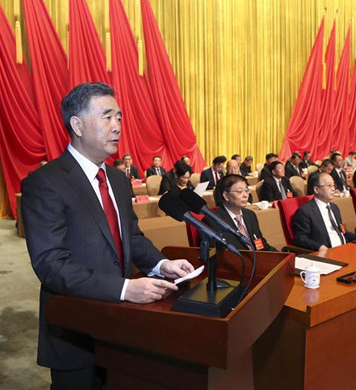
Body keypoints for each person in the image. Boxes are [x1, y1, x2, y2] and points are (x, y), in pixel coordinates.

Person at [21, 83, 194, 389]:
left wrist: (161, 264)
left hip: (123, 329)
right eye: (107, 117)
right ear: (77, 125)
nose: (117, 126)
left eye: (120, 118)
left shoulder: (115, 177)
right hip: (75, 330)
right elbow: (51, 265)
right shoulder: (45, 183)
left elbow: (132, 237)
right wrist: (125, 288)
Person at [203, 175, 277, 251]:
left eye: (246, 190)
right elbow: (212, 254)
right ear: (226, 196)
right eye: (239, 191)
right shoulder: (212, 220)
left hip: (257, 259)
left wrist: (280, 255)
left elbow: (260, 244)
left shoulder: (250, 215)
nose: (245, 195)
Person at [292, 173, 356, 251]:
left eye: (333, 185)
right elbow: (300, 239)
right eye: (329, 186)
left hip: (344, 249)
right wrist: (319, 247)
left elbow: (342, 232)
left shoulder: (334, 208)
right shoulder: (305, 211)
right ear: (316, 189)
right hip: (326, 253)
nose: (333, 189)